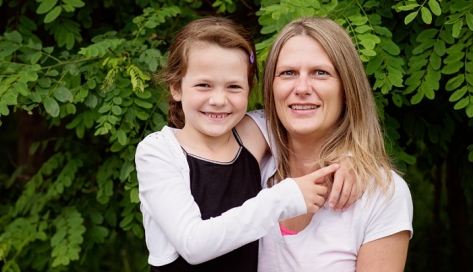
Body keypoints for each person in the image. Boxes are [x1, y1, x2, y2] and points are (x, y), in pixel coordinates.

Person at [135, 17, 357, 272]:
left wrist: (346, 156)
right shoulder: (159, 152)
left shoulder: (253, 134)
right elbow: (193, 245)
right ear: (176, 87)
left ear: (249, 89)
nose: (218, 100)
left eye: (233, 87)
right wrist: (285, 198)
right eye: (203, 85)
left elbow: (314, 130)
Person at [249, 17, 414, 271]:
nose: (302, 87)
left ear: (347, 90)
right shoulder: (248, 171)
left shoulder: (381, 194)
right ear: (271, 89)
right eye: (288, 73)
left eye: (320, 73)